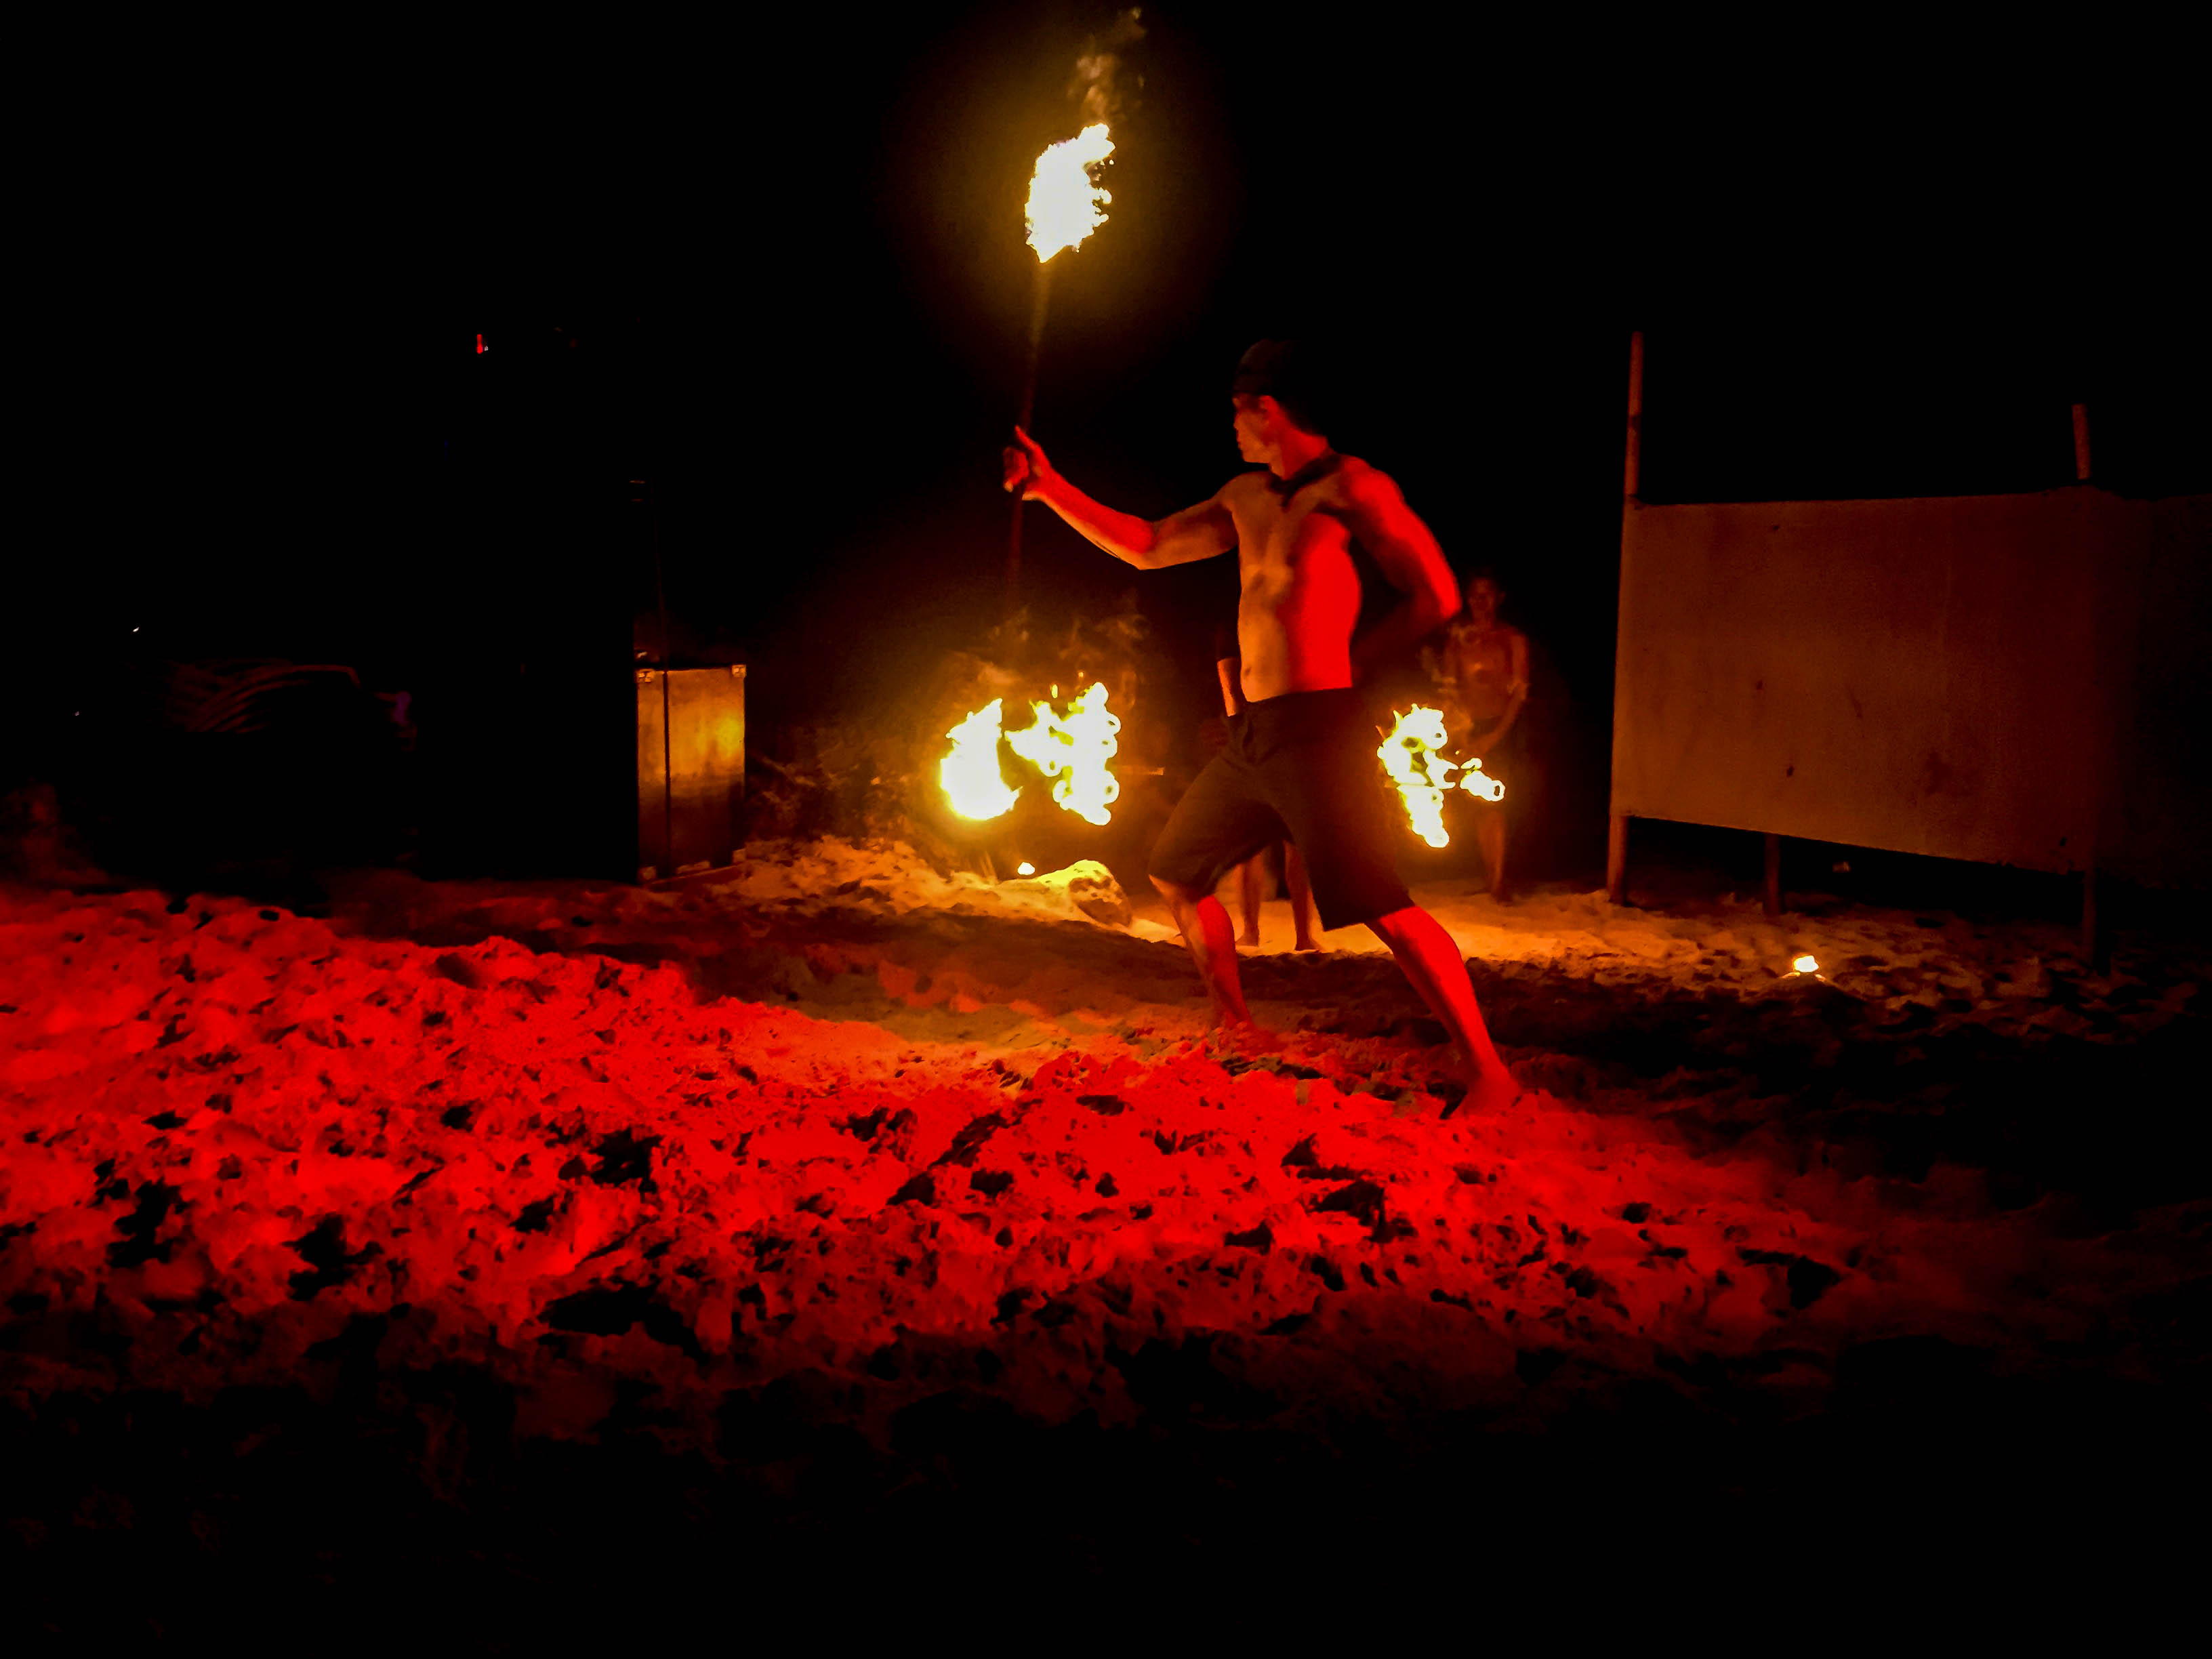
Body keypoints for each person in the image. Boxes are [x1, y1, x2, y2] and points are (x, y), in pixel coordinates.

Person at [1003, 340, 1519, 1112]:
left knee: (1383, 904)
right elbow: (1147, 545)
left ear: (1267, 410)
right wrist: (1051, 490)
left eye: (1237, 415)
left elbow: (1436, 594)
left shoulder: (1356, 488)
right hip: (1252, 736)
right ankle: (1237, 1028)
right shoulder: (1244, 496)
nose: (1233, 431)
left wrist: (1354, 662)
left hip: (1317, 732)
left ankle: (1489, 1074)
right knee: (1175, 871)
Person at [1213, 623, 1317, 951]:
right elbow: (1231, 689)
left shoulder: (1286, 624)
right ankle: (1251, 932)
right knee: (1250, 846)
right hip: (1253, 738)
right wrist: (1242, 737)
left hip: (1292, 736)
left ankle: (1304, 935)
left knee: (1295, 842)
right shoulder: (1232, 628)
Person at [1430, 569, 1529, 902]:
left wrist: (1496, 735)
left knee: (1496, 804)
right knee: (1476, 805)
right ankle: (1490, 878)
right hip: (1467, 727)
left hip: (1499, 726)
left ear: (1499, 598)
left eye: (1486, 595)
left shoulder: (1511, 638)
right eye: (1474, 595)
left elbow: (1518, 692)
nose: (1479, 602)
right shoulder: (1459, 638)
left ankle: (1500, 881)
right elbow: (1448, 685)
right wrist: (1455, 730)